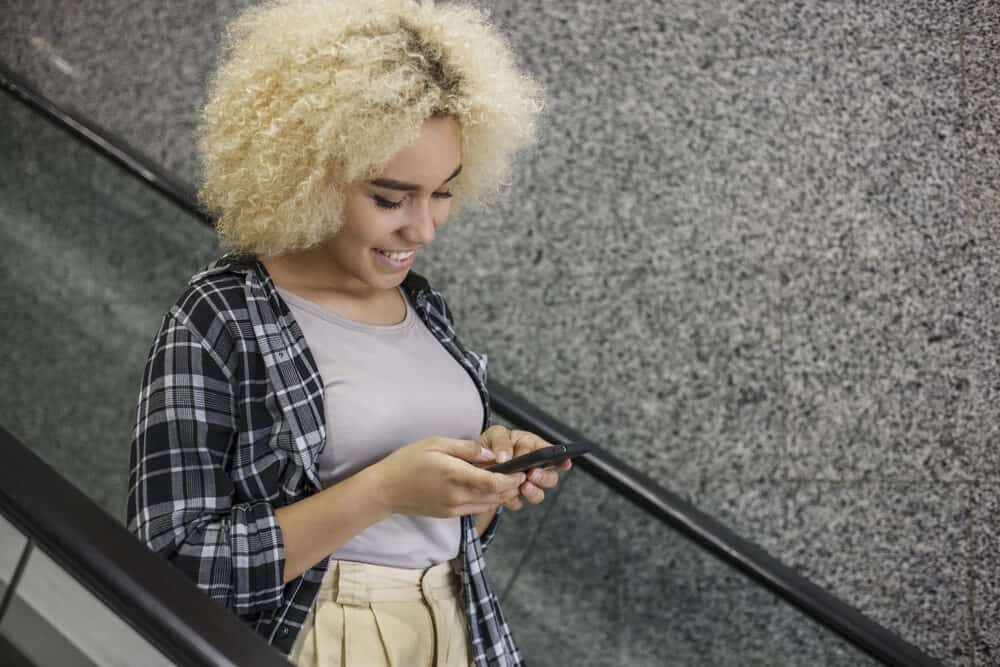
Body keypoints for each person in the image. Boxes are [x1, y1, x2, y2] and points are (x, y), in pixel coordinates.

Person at [126, 1, 565, 665]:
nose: (422, 228)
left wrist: (484, 481)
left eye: (442, 191)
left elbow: (442, 536)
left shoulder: (424, 308)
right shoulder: (221, 314)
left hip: (458, 627)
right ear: (306, 172)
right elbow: (173, 557)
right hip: (318, 637)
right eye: (390, 197)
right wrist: (383, 488)